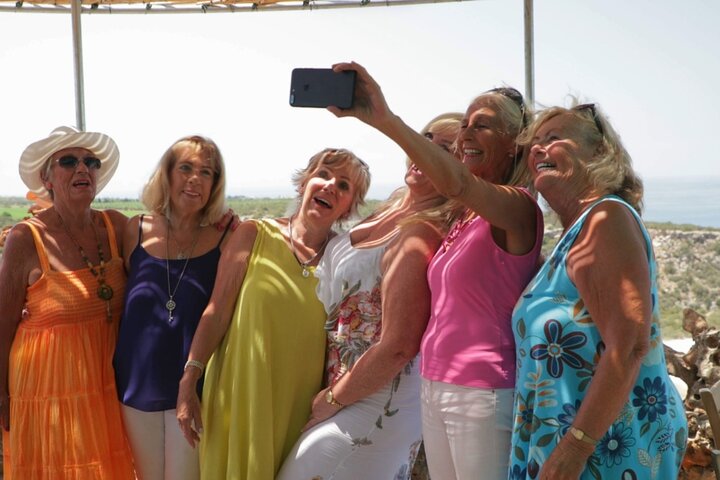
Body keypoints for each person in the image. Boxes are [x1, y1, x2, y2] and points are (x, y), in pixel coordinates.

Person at [324, 62, 544, 479]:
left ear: (515, 144)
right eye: (465, 124)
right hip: (435, 385)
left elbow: (457, 182)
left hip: (483, 390)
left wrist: (385, 120)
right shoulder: (463, 219)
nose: (467, 135)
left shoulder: (517, 207)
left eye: (484, 126)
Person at [277, 114, 462, 479]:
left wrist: (332, 400)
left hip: (378, 401)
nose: (426, 152)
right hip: (344, 388)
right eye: (425, 139)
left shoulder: (424, 230)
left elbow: (399, 346)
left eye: (444, 149)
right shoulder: (393, 206)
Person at [509, 103, 687, 479]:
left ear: (600, 153)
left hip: (605, 454)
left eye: (554, 138)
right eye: (534, 142)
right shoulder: (576, 233)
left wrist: (574, 449)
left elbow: (630, 345)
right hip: (571, 445)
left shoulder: (606, 219)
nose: (538, 148)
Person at [176, 148, 371, 479]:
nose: (329, 186)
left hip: (299, 404)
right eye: (323, 174)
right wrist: (189, 379)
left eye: (343, 185)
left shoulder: (345, 258)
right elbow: (217, 310)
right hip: (240, 393)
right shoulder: (254, 233)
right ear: (304, 182)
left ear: (349, 206)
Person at [0, 126, 135, 478]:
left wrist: (222, 224)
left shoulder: (116, 227)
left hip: (104, 388)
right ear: (47, 178)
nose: (83, 168)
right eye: (69, 161)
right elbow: (2, 325)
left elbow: (171, 242)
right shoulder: (25, 239)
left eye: (91, 161)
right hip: (46, 394)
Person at [113, 135, 232, 480]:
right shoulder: (134, 230)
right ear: (166, 174)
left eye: (207, 173)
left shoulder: (227, 237)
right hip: (135, 385)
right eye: (186, 168)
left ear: (215, 185)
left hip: (196, 390)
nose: (195, 178)